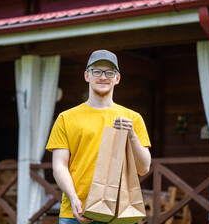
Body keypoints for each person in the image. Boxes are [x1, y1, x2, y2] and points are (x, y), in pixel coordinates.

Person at [46, 49, 151, 224]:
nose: (103, 77)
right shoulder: (66, 118)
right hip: (76, 212)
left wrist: (132, 136)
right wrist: (73, 199)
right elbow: (59, 166)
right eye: (97, 71)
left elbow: (144, 168)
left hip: (118, 212)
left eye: (109, 72)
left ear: (117, 78)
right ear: (87, 76)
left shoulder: (133, 118)